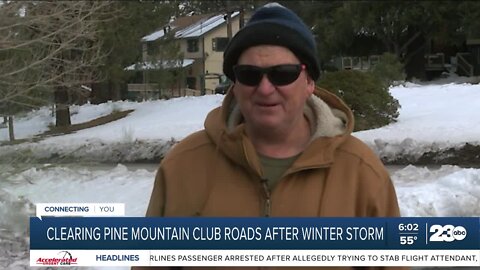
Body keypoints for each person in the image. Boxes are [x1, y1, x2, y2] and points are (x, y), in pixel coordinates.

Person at [135, 3, 403, 270]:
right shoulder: (183, 166)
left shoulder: (361, 172)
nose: (265, 89)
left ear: (309, 82)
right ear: (235, 85)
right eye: (249, 75)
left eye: (282, 74)